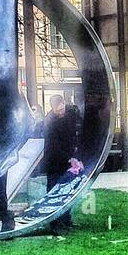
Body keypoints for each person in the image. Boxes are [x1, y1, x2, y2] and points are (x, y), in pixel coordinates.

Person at [43, 95, 81, 233]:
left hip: (69, 158)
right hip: (54, 160)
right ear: (52, 108)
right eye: (57, 110)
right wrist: (69, 158)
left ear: (64, 104)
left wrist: (75, 153)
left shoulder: (70, 114)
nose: (60, 112)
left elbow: (75, 133)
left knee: (68, 189)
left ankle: (66, 219)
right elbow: (54, 146)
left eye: (62, 109)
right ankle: (54, 223)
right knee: (54, 191)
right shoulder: (49, 121)